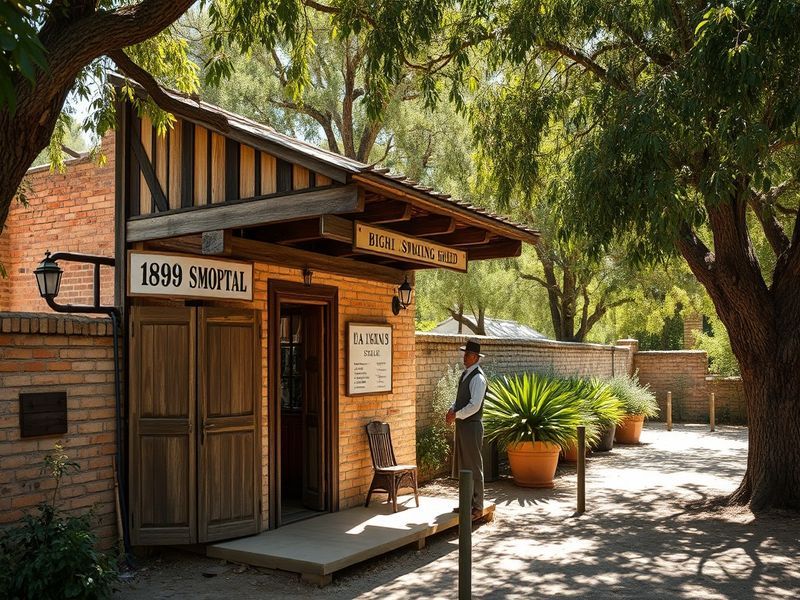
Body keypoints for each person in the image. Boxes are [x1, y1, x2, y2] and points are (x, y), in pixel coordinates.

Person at [446, 339, 487, 518]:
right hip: (463, 425)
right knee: (464, 466)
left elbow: (474, 406)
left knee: (474, 467)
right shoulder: (465, 375)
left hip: (472, 426)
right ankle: (465, 503)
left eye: (468, 354)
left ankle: (477, 506)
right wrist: (452, 408)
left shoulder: (478, 378)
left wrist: (457, 415)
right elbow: (461, 399)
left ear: (476, 357)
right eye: (464, 353)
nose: (464, 357)